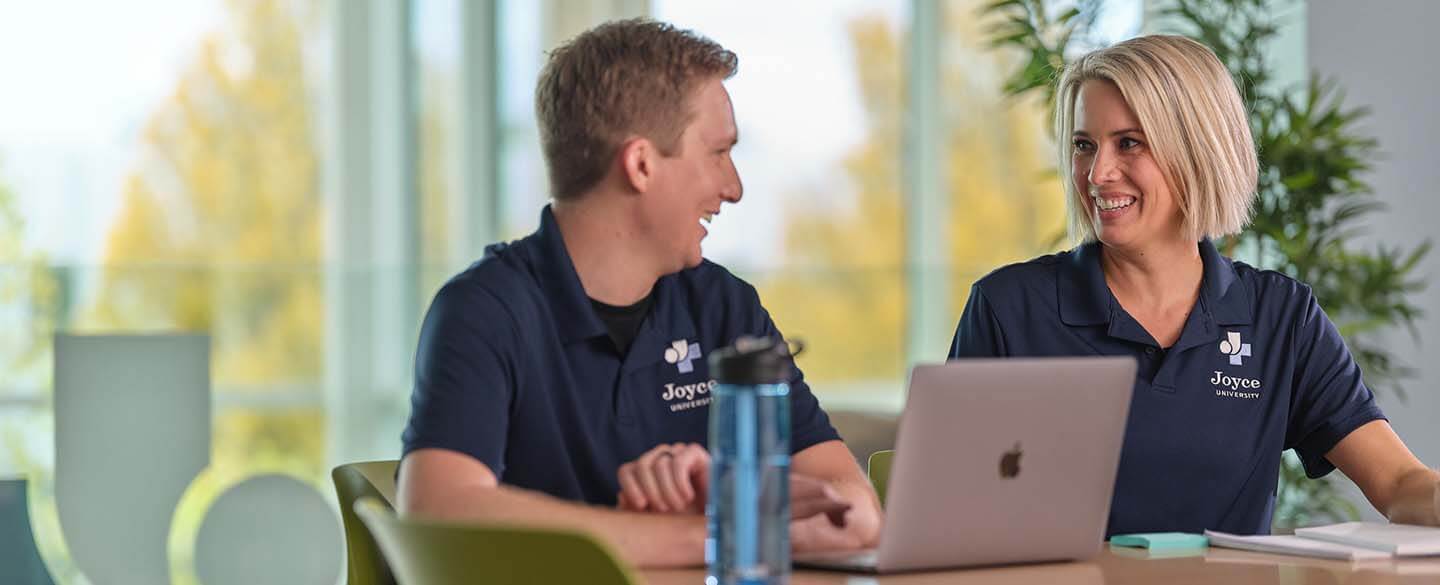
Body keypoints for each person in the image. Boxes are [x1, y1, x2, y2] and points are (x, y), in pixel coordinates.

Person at [396, 18, 881, 568]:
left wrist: (723, 496)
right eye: (718, 152)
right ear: (642, 163)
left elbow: (857, 513)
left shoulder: (725, 306)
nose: (734, 186)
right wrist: (712, 533)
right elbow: (438, 508)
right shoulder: (484, 310)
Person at [949, 35, 1440, 536]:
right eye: (1083, 145)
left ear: (1197, 150)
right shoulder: (1008, 311)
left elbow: (1400, 482)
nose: (1098, 173)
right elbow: (948, 508)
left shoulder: (1280, 317)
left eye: (1129, 143)